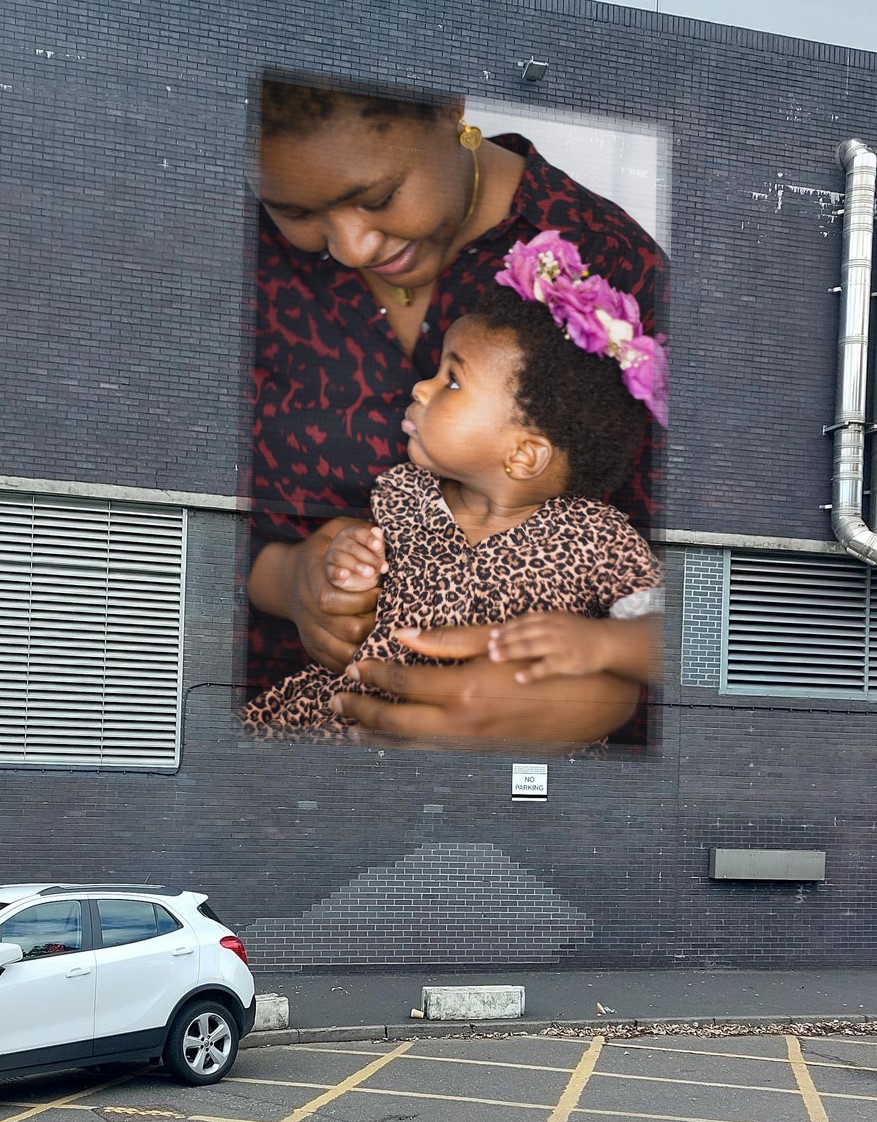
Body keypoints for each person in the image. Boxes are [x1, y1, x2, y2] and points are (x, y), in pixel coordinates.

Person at [248, 75, 665, 746]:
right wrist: (287, 576)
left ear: (449, 108)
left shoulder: (610, 272)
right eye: (294, 211)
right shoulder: (228, 260)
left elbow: (720, 609)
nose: (351, 246)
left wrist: (598, 689)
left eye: (379, 197)